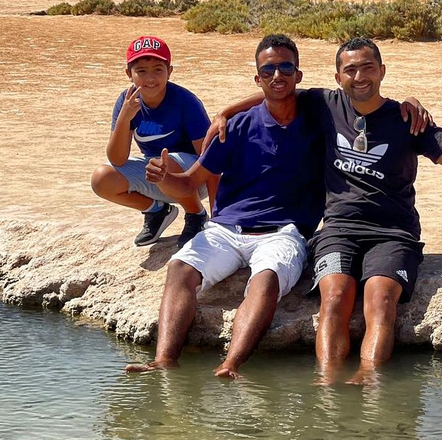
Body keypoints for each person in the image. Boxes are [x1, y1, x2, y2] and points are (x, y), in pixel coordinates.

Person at [124, 35, 324, 379]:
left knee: (266, 279)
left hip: (283, 233)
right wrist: (162, 180)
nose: (278, 75)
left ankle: (231, 364)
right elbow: (189, 182)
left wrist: (410, 102)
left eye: (286, 67)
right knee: (180, 269)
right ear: (257, 78)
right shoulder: (235, 129)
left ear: (299, 74)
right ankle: (164, 361)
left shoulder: (320, 117)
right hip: (226, 229)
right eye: (268, 69)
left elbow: (364, 98)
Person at [309, 38, 442, 384]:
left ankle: (369, 377)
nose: (359, 76)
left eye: (367, 67)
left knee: (380, 299)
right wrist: (226, 114)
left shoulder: (409, 119)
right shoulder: (324, 105)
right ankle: (328, 382)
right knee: (334, 297)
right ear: (337, 77)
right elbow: (274, 96)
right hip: (338, 231)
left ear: (382, 72)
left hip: (393, 233)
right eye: (350, 69)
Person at [90, 36, 214, 248]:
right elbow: (117, 159)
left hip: (191, 181)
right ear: (129, 74)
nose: (150, 78)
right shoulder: (126, 101)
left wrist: (219, 212)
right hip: (156, 174)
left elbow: (210, 159)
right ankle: (157, 211)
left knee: (163, 163)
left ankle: (196, 215)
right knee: (102, 179)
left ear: (170, 71)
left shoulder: (185, 101)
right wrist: (124, 117)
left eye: (158, 69)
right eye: (141, 71)